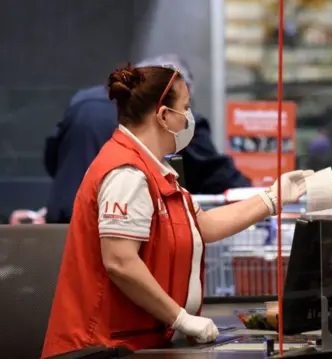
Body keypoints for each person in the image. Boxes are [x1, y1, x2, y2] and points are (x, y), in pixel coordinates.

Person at [41, 64, 313, 357]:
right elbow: (120, 261)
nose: (189, 118)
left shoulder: (156, 171)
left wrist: (273, 198)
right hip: (99, 349)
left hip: (139, 343)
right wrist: (181, 318)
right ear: (163, 115)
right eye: (185, 107)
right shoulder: (127, 173)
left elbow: (204, 225)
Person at [43, 54, 250, 224]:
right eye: (186, 103)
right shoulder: (170, 119)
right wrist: (260, 197)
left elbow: (52, 160)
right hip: (114, 229)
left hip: (61, 223)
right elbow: (214, 174)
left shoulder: (83, 102)